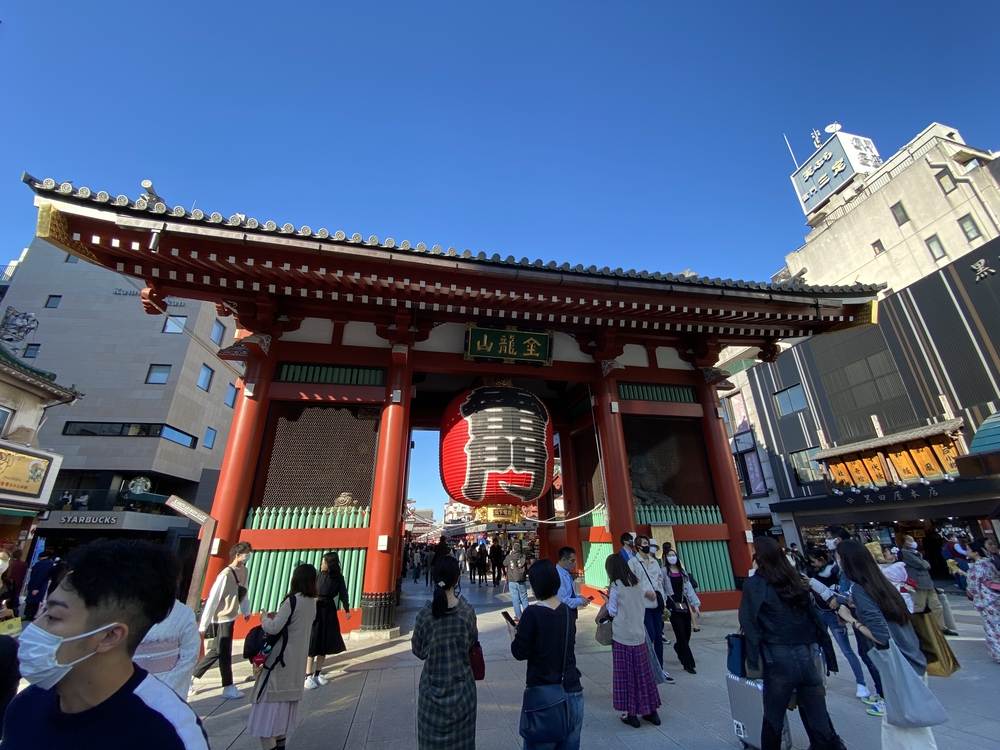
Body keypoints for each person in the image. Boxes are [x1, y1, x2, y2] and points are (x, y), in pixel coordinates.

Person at [0, 539, 208, 750]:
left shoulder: (166, 734)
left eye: (53, 617)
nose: (35, 627)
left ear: (110, 635)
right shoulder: (26, 704)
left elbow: (190, 654)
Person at [740, 537, 843, 750]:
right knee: (818, 714)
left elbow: (748, 622)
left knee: (773, 717)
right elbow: (812, 615)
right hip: (809, 655)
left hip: (778, 657)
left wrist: (751, 659)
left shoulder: (754, 583)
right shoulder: (796, 579)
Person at [835, 540, 936, 750]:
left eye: (839, 558)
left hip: (899, 668)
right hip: (913, 658)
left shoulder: (860, 589)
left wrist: (851, 618)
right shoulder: (880, 582)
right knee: (906, 728)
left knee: (904, 730)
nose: (838, 563)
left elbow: (881, 635)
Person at [509, 559, 584, 750]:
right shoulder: (567, 611)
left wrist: (515, 633)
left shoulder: (532, 613)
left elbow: (520, 652)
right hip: (572, 691)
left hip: (544, 696)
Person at [248, 563, 317, 750]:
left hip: (279, 663)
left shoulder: (292, 601)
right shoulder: (312, 603)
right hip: (295, 664)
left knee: (266, 721)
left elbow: (274, 627)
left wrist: (264, 617)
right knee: (281, 721)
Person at [412, 555, 478, 749]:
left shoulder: (425, 614)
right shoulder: (466, 611)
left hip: (431, 693)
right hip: (462, 693)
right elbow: (472, 641)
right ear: (457, 579)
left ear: (435, 579)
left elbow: (418, 650)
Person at [806, 547, 872, 703]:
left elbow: (843, 595)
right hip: (818, 612)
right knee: (817, 648)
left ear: (822, 559)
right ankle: (819, 678)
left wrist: (843, 612)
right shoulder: (812, 574)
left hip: (834, 614)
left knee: (846, 649)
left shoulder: (837, 573)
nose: (813, 564)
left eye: (814, 561)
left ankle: (861, 683)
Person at [604, 553, 660, 728]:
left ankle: (631, 714)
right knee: (644, 675)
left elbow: (612, 611)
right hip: (638, 634)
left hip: (622, 636)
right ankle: (651, 712)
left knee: (626, 676)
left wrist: (606, 600)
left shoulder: (616, 586)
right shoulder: (637, 584)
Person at [193, 541, 253, 699]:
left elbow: (244, 591)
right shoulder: (225, 574)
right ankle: (228, 686)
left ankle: (192, 676)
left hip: (232, 614)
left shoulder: (244, 571)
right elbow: (213, 599)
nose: (247, 556)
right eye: (245, 553)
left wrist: (246, 610)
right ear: (237, 555)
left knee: (217, 650)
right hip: (221, 617)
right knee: (224, 652)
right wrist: (204, 624)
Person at [134, 598, 200, 699]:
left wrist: (167, 686)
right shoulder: (121, 610)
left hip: (170, 685)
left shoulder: (183, 613)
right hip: (129, 685)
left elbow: (190, 654)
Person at [306, 551, 351, 689]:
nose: (321, 563)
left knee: (324, 640)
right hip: (316, 607)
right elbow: (308, 590)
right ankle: (307, 675)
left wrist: (347, 609)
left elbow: (343, 594)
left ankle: (318, 673)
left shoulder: (338, 578)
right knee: (314, 639)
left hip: (329, 609)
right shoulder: (316, 576)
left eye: (324, 561)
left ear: (329, 563)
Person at [629, 534, 671, 682]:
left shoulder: (654, 562)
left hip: (657, 604)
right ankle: (648, 667)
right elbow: (632, 584)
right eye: (645, 543)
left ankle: (659, 667)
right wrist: (645, 592)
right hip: (643, 605)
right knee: (650, 635)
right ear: (638, 546)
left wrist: (663, 601)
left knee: (659, 636)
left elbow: (660, 582)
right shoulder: (633, 563)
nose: (648, 546)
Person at [900, 535, 955, 635]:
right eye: (911, 541)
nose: (914, 543)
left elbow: (923, 563)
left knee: (936, 605)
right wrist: (924, 563)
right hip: (918, 583)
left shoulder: (914, 552)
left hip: (927, 582)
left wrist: (924, 563)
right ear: (906, 543)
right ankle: (919, 629)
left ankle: (941, 627)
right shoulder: (905, 552)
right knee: (918, 606)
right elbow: (920, 564)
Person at [661, 549, 700, 674]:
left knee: (687, 632)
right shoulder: (663, 572)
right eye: (669, 555)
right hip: (672, 605)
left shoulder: (683, 572)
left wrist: (696, 605)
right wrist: (664, 605)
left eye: (673, 555)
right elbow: (661, 589)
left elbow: (689, 589)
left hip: (683, 604)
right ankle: (687, 662)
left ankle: (679, 648)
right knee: (680, 634)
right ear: (665, 558)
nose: (672, 557)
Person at [965, 538, 1000, 663]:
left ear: (976, 552)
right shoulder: (989, 563)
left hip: (986, 598)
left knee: (992, 627)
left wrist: (970, 590)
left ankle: (998, 652)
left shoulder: (977, 566)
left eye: (968, 550)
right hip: (996, 594)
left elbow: (974, 586)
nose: (967, 552)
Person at [23, 548, 57, 621]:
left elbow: (36, 575)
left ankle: (28, 615)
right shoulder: (51, 564)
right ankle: (33, 615)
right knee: (37, 601)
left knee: (31, 600)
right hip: (43, 585)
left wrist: (36, 587)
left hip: (35, 584)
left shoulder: (40, 564)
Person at [555, 547, 589, 619]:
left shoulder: (566, 574)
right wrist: (580, 601)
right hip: (563, 614)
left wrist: (579, 597)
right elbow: (563, 600)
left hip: (570, 613)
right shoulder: (558, 575)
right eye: (572, 561)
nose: (574, 564)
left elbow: (569, 593)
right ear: (564, 560)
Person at [879, 546, 915, 613]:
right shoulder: (895, 566)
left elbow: (885, 573)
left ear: (893, 554)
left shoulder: (898, 566)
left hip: (899, 592)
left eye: (886, 552)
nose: (884, 553)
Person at [504, 541, 530, 620]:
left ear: (513, 549)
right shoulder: (523, 556)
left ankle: (519, 616)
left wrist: (509, 554)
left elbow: (504, 563)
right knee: (524, 598)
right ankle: (528, 615)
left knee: (515, 600)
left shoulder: (509, 557)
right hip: (521, 579)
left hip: (512, 580)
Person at [4, 550, 27, 618]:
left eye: (4, 560)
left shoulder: (9, 584)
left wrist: (11, 611)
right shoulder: (23, 565)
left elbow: (14, 607)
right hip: (18, 585)